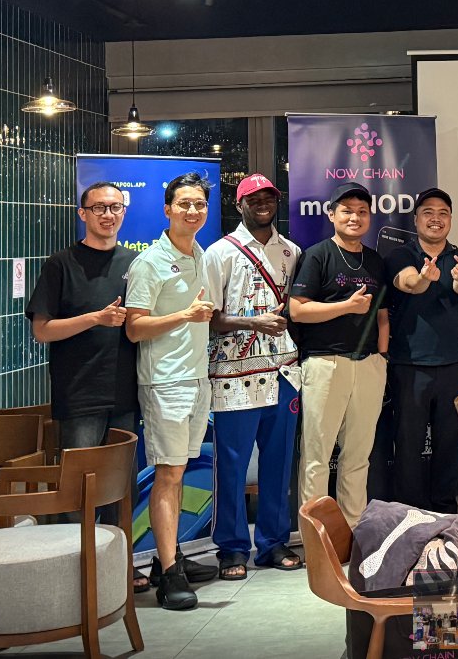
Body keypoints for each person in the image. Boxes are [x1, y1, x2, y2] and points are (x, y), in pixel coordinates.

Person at [26, 181, 145, 583]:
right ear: (83, 214)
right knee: (79, 490)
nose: (108, 215)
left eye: (115, 207)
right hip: (78, 394)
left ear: (124, 212)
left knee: (121, 488)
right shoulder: (60, 264)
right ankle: (77, 577)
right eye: (99, 208)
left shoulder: (135, 263)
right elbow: (42, 330)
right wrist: (96, 318)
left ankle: (118, 571)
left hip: (125, 392)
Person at [124, 172, 219, 610]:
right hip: (165, 382)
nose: (193, 211)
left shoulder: (200, 253)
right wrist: (184, 315)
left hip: (196, 378)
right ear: (167, 210)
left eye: (199, 203)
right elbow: (134, 327)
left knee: (179, 472)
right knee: (169, 474)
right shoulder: (149, 262)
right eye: (184, 204)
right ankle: (168, 574)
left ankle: (171, 557)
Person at [201, 173, 303, 579]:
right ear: (239, 204)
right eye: (254, 198)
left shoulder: (291, 251)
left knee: (279, 462)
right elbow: (209, 317)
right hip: (234, 374)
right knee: (231, 463)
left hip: (283, 370)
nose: (263, 204)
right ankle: (231, 547)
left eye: (268, 197)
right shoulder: (219, 253)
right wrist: (252, 323)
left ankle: (273, 542)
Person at [288, 181, 389, 527]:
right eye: (347, 211)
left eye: (362, 212)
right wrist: (346, 306)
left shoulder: (375, 260)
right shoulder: (317, 255)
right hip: (325, 364)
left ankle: (353, 531)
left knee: (359, 456)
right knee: (316, 457)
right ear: (331, 214)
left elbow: (382, 314)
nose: (355, 218)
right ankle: (315, 536)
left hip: (369, 365)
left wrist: (381, 357)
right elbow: (297, 310)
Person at [384, 187, 458, 512]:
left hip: (453, 366)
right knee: (408, 445)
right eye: (428, 212)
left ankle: (444, 511)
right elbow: (409, 282)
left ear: (450, 219)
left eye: (443, 213)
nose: (435, 219)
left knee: (450, 444)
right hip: (409, 366)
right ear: (416, 219)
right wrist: (425, 278)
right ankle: (410, 513)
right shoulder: (400, 255)